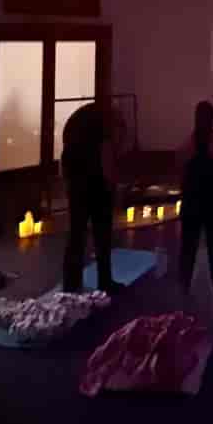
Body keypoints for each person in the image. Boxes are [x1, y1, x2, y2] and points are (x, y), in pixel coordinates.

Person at [177, 102, 213, 315]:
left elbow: (181, 173)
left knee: (190, 249)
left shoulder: (189, 145)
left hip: (198, 201)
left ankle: (186, 291)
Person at [61, 103, 121, 294]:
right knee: (102, 236)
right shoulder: (105, 123)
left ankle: (71, 285)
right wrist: (113, 187)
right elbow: (106, 157)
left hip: (76, 183)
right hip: (97, 185)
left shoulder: (77, 123)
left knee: (76, 235)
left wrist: (68, 184)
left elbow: (65, 158)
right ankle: (105, 282)